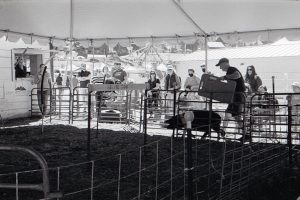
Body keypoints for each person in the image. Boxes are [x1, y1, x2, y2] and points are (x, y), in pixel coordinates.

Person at [215, 58, 246, 137]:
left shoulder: (232, 69)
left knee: (235, 116)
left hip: (238, 95)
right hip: (236, 96)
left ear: (225, 63)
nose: (220, 68)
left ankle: (245, 133)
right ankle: (224, 131)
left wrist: (224, 77)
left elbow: (236, 75)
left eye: (220, 65)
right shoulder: (230, 71)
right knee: (233, 115)